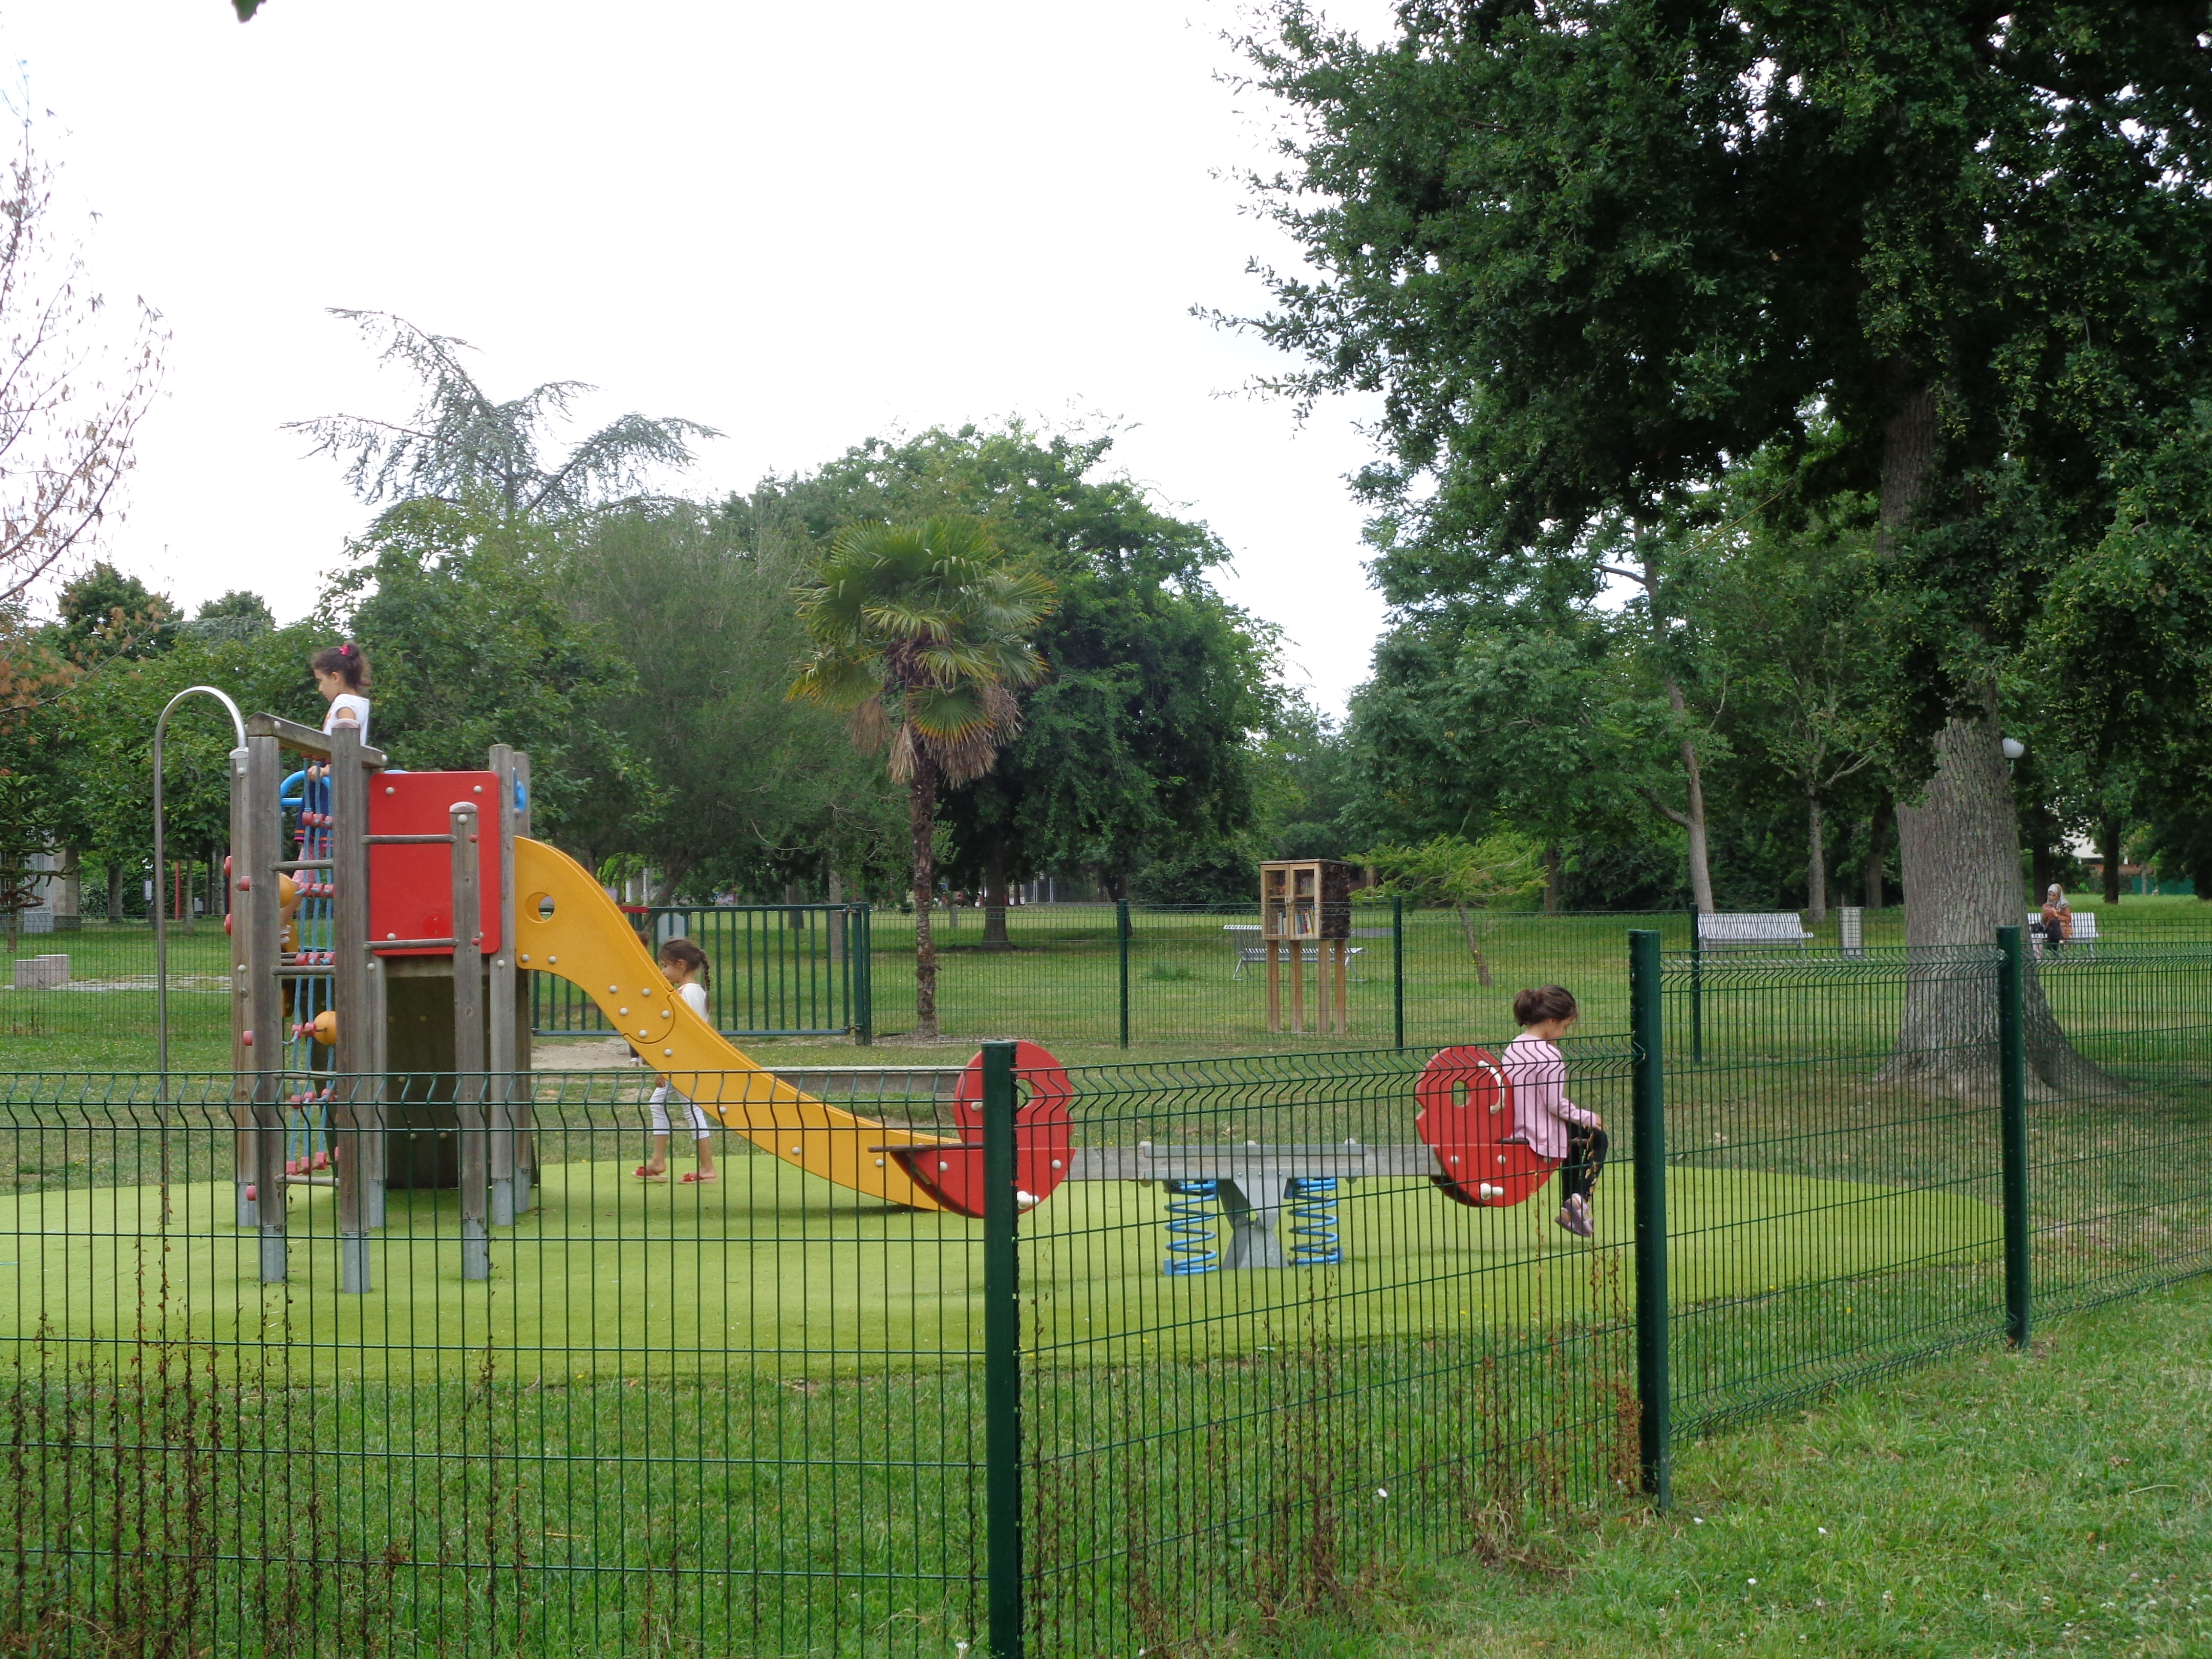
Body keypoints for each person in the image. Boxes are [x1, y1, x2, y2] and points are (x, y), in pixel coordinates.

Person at [1501, 984, 1608, 1239]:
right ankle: (1578, 1201)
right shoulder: (1549, 1055)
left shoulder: (1515, 1046)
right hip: (1539, 1133)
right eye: (1564, 1026)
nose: (1563, 1032)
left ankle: (1575, 1205)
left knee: (1577, 1136)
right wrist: (1589, 1116)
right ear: (1551, 1021)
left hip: (1517, 1123)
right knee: (1598, 1137)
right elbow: (1554, 1104)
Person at [635, 937, 719, 1184]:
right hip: (687, 1061)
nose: (663, 971)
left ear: (680, 965)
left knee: (692, 1110)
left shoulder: (687, 993)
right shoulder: (693, 992)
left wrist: (667, 1068)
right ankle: (659, 1161)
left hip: (685, 1063)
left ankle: (707, 1168)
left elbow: (686, 1034)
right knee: (658, 1103)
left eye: (665, 965)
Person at [311, 642, 371, 742]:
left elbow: (348, 735)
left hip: (341, 757)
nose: (320, 689)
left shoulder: (344, 702)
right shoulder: (361, 703)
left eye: (320, 681)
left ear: (335, 678)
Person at [2041, 884, 2073, 953]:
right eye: (2049, 895)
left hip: (2062, 928)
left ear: (2058, 896)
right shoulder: (2046, 906)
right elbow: (2044, 922)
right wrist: (2045, 915)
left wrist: (2057, 915)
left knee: (2055, 923)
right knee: (2053, 923)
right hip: (2050, 928)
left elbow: (2068, 919)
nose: (2051, 898)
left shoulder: (2064, 906)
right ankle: (2060, 940)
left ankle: (2054, 950)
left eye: (2054, 895)